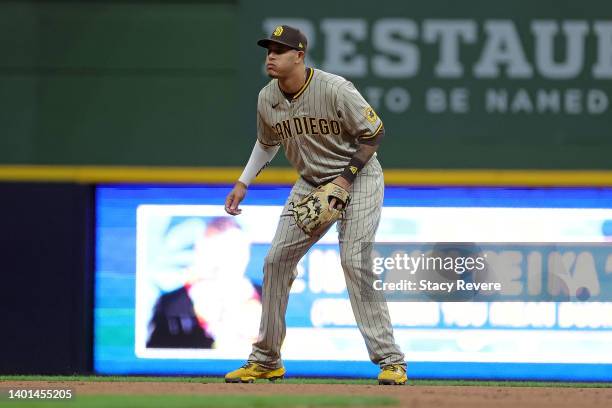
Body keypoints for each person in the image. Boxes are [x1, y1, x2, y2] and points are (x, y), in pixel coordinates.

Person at [223, 25, 406, 385]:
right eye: (268, 50)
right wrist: (243, 182)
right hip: (310, 183)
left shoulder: (335, 89)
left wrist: (345, 178)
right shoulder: (267, 98)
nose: (271, 56)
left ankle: (391, 361)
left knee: (355, 261)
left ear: (299, 56)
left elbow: (375, 133)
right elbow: (267, 142)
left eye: (280, 50)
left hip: (360, 177)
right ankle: (265, 359)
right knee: (276, 261)